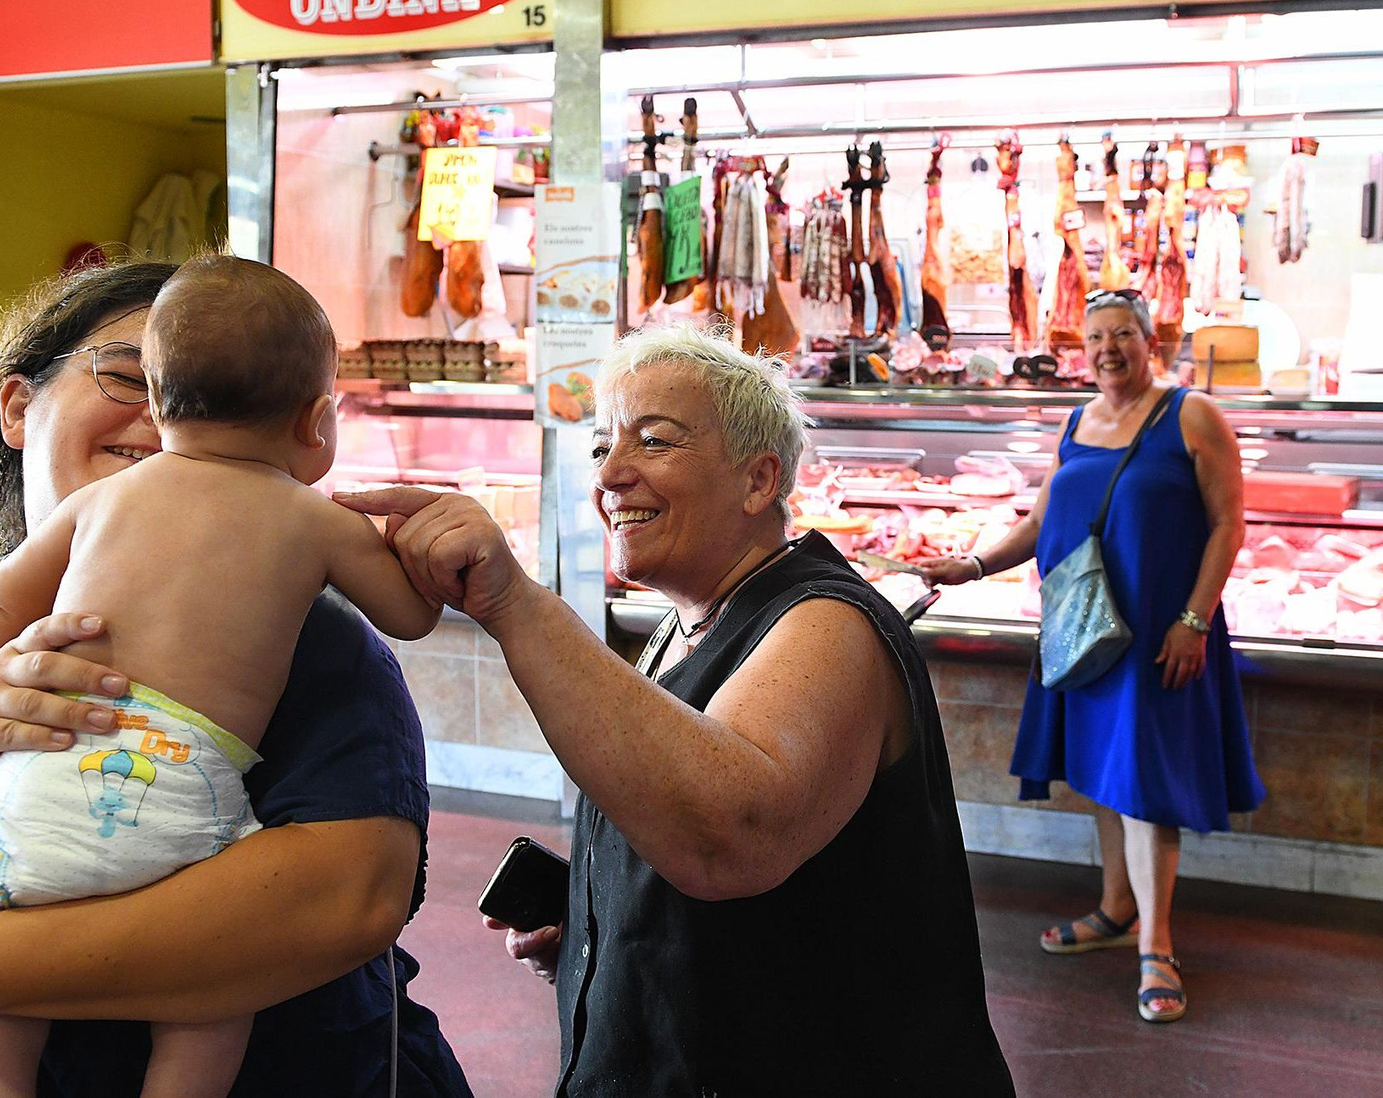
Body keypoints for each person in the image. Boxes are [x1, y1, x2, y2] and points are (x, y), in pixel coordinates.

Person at [0, 259, 474, 1098]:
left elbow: (352, 901)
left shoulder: (314, 635)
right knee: (195, 1036)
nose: (167, 423)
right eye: (128, 376)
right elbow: (413, 612)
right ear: (17, 408)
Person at [340, 326, 1015, 1096]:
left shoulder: (829, 625)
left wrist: (515, 602)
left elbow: (728, 834)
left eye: (654, 441)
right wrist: (605, 928)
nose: (611, 475)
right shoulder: (682, 625)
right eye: (602, 447)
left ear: (758, 481)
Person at [918, 290, 1263, 1024]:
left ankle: (1157, 946)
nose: (1108, 349)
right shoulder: (1076, 421)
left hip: (1160, 632)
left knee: (1145, 787)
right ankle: (1115, 910)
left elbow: (1229, 524)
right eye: (1096, 337)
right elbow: (1040, 521)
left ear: (1150, 342)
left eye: (1122, 334)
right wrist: (973, 566)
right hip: (1086, 629)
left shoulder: (1191, 414)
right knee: (1104, 776)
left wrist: (1194, 620)